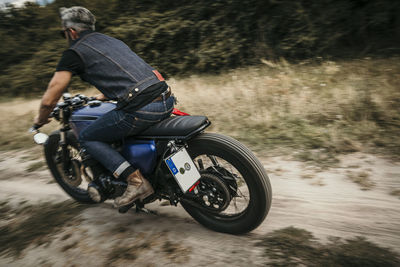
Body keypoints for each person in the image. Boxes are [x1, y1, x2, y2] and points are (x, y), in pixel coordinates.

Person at [34, 6, 175, 208]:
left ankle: (136, 182)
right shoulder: (112, 41)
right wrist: (101, 96)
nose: (65, 37)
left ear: (71, 32)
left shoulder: (74, 52)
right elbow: (125, 73)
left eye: (63, 33)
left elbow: (50, 98)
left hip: (142, 109)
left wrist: (40, 119)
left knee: (88, 137)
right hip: (166, 98)